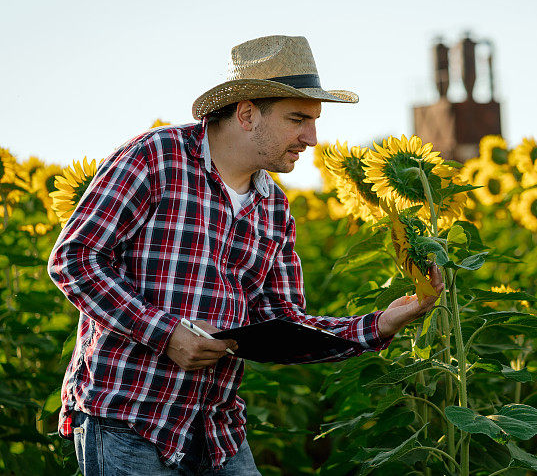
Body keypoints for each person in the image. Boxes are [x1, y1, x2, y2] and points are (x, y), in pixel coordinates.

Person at [48, 35, 443, 475]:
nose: (311, 138)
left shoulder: (273, 205)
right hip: (131, 419)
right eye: (298, 119)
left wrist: (379, 325)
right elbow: (75, 258)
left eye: (313, 121)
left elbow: (282, 323)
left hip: (216, 428)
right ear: (248, 113)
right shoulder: (157, 158)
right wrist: (167, 334)